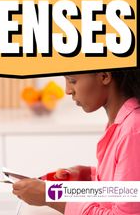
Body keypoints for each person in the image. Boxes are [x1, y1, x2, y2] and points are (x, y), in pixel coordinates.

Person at [12, 70, 140, 214]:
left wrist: (51, 196)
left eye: (72, 81)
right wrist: (88, 176)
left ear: (104, 76)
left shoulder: (133, 130)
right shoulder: (121, 122)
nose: (67, 90)